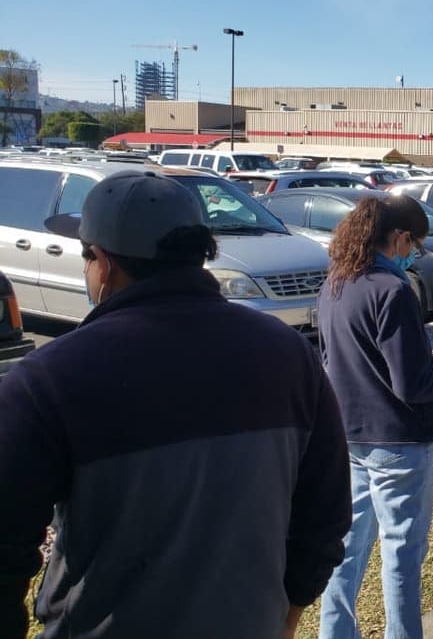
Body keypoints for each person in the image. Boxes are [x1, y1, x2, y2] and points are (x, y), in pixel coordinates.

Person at [0, 172, 351, 639]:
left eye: (86, 257)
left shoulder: (48, 378)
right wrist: (287, 614)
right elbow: (325, 513)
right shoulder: (290, 355)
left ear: (103, 263)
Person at [318, 195, 433, 639]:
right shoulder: (393, 290)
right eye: (415, 246)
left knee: (347, 548)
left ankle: (335, 632)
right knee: (402, 554)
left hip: (350, 434)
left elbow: (330, 359)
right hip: (399, 442)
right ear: (399, 237)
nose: (414, 255)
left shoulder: (336, 282)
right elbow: (413, 384)